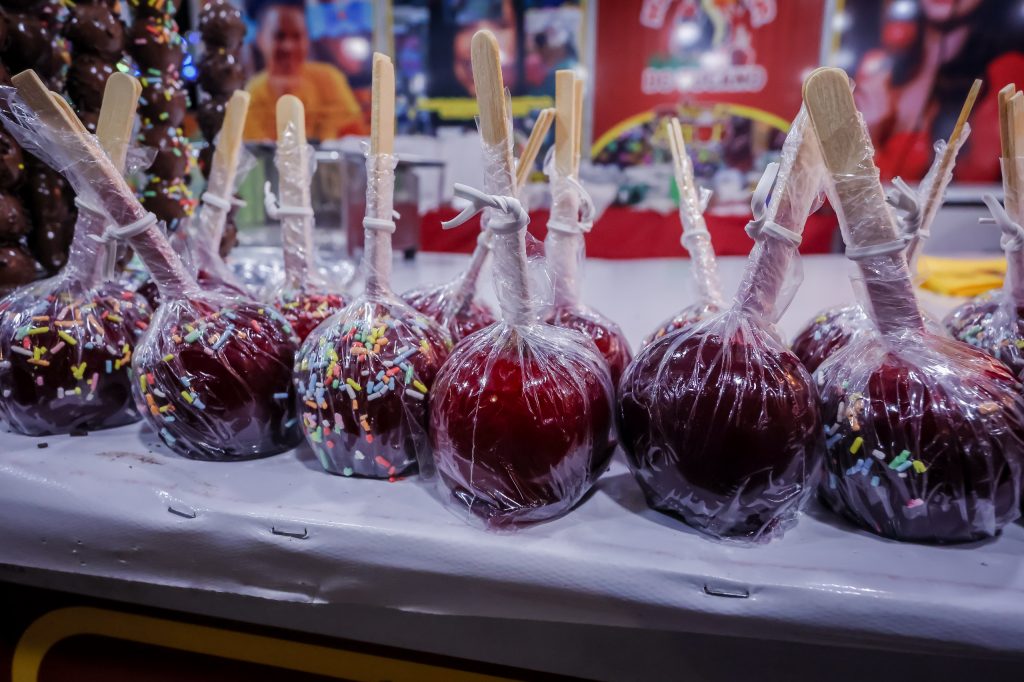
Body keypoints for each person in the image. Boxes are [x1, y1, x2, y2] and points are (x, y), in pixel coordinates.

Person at [853, 0, 1024, 182]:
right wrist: (868, 134)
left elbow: (977, 183)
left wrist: (870, 141)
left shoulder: (1006, 73)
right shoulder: (877, 65)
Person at [244, 1, 367, 140]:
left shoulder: (329, 79)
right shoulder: (253, 93)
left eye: (297, 36)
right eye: (279, 36)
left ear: (307, 39)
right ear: (260, 39)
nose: (288, 46)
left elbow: (356, 136)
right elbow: (253, 148)